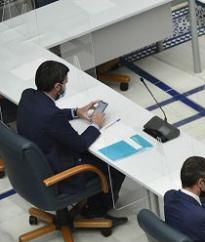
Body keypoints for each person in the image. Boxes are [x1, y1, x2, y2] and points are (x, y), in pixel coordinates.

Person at [17, 61, 125, 221]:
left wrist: (76, 112)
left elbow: (47, 115)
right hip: (57, 172)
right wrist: (96, 124)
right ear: (57, 87)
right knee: (113, 164)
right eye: (65, 82)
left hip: (33, 168)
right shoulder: (51, 116)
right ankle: (96, 210)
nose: (66, 85)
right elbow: (80, 144)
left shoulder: (28, 95)